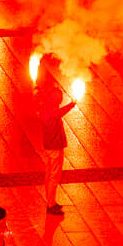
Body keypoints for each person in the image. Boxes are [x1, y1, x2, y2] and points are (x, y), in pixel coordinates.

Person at [37, 73, 77, 215]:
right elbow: (59, 113)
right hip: (55, 148)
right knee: (54, 176)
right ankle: (51, 204)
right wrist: (72, 105)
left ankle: (51, 201)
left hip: (48, 146)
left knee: (49, 175)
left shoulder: (45, 108)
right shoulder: (52, 111)